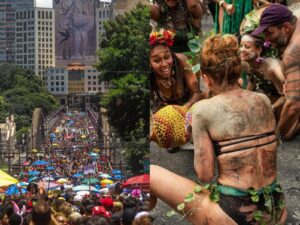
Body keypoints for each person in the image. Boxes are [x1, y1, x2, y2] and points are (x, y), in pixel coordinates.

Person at [150, 34, 287, 225]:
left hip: (235, 216)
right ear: (238, 72)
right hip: (276, 210)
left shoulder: (202, 111)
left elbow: (205, 175)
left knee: (150, 172)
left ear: (206, 78)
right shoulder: (263, 100)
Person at [252, 3, 300, 140]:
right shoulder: (296, 18)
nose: (266, 39)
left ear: (286, 27)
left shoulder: (293, 52)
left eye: (269, 32)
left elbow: (294, 105)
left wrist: (276, 136)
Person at [149, 29, 202, 112]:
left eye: (167, 57)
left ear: (171, 54)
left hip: (189, 109)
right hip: (165, 114)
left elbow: (196, 92)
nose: (164, 64)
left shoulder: (182, 61)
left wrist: (183, 109)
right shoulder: (149, 75)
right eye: (157, 60)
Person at [239, 33, 285, 119]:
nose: (242, 49)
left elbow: (288, 94)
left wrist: (271, 108)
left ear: (259, 50)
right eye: (241, 45)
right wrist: (243, 98)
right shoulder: (245, 64)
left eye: (247, 47)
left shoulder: (272, 68)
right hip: (268, 99)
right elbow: (252, 80)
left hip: (283, 104)